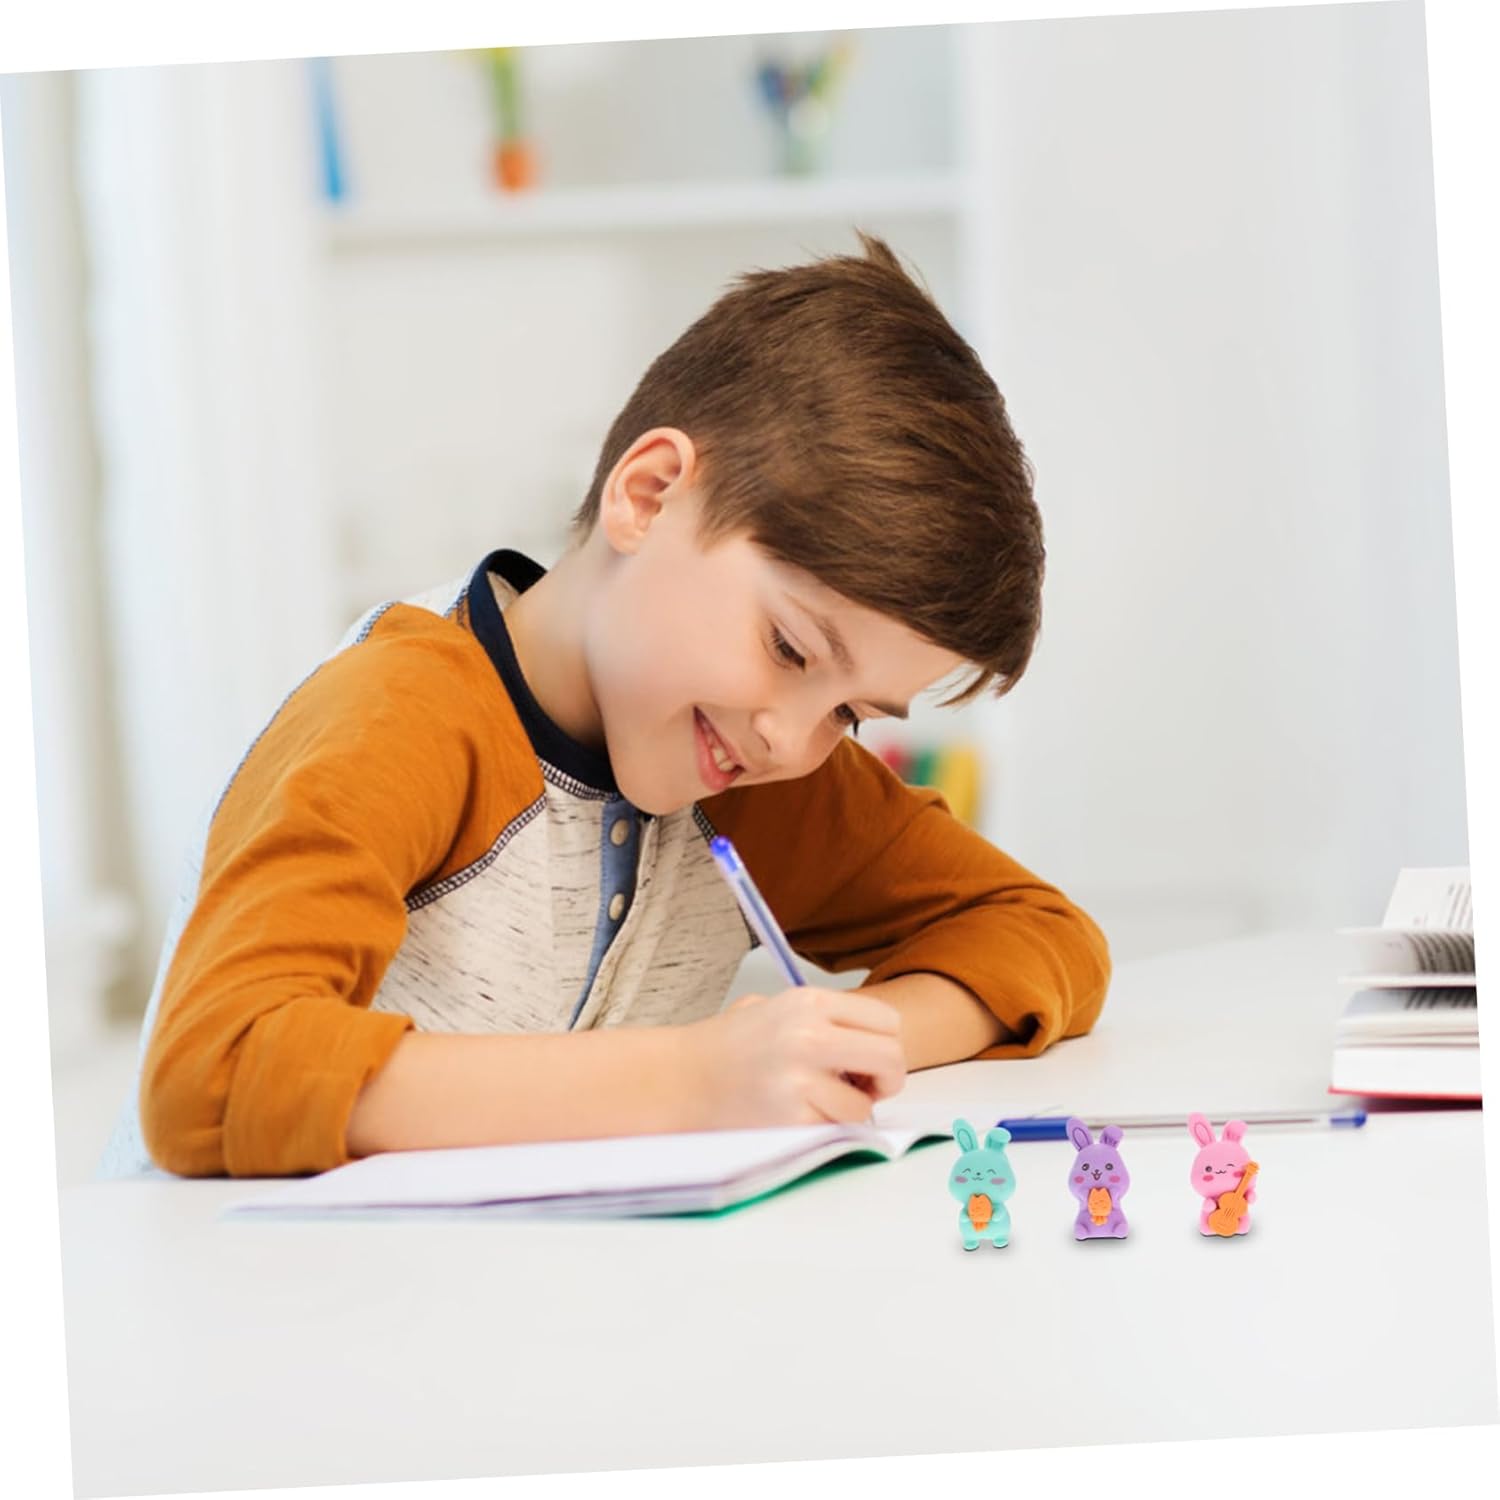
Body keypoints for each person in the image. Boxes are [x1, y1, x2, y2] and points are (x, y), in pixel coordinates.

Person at [105, 231, 1110, 1179]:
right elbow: (212, 1070)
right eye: (791, 648)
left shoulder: (752, 769)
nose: (792, 738)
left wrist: (841, 1045)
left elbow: (1040, 933)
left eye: (852, 714)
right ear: (650, 494)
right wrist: (695, 1080)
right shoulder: (400, 716)